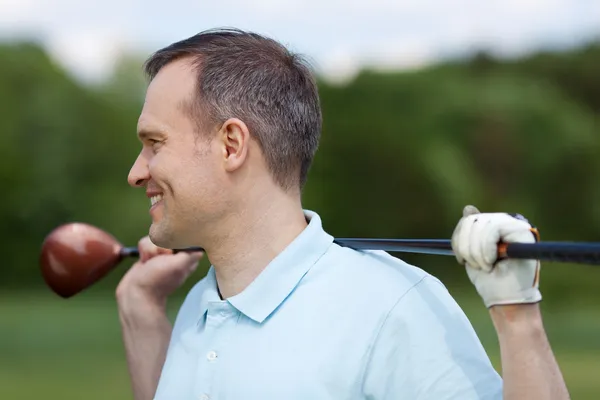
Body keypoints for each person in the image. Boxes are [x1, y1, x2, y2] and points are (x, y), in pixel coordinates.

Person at [116, 28, 568, 400]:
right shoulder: (200, 305)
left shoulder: (393, 307)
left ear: (231, 145)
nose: (137, 172)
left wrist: (517, 317)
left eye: (155, 143)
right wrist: (142, 314)